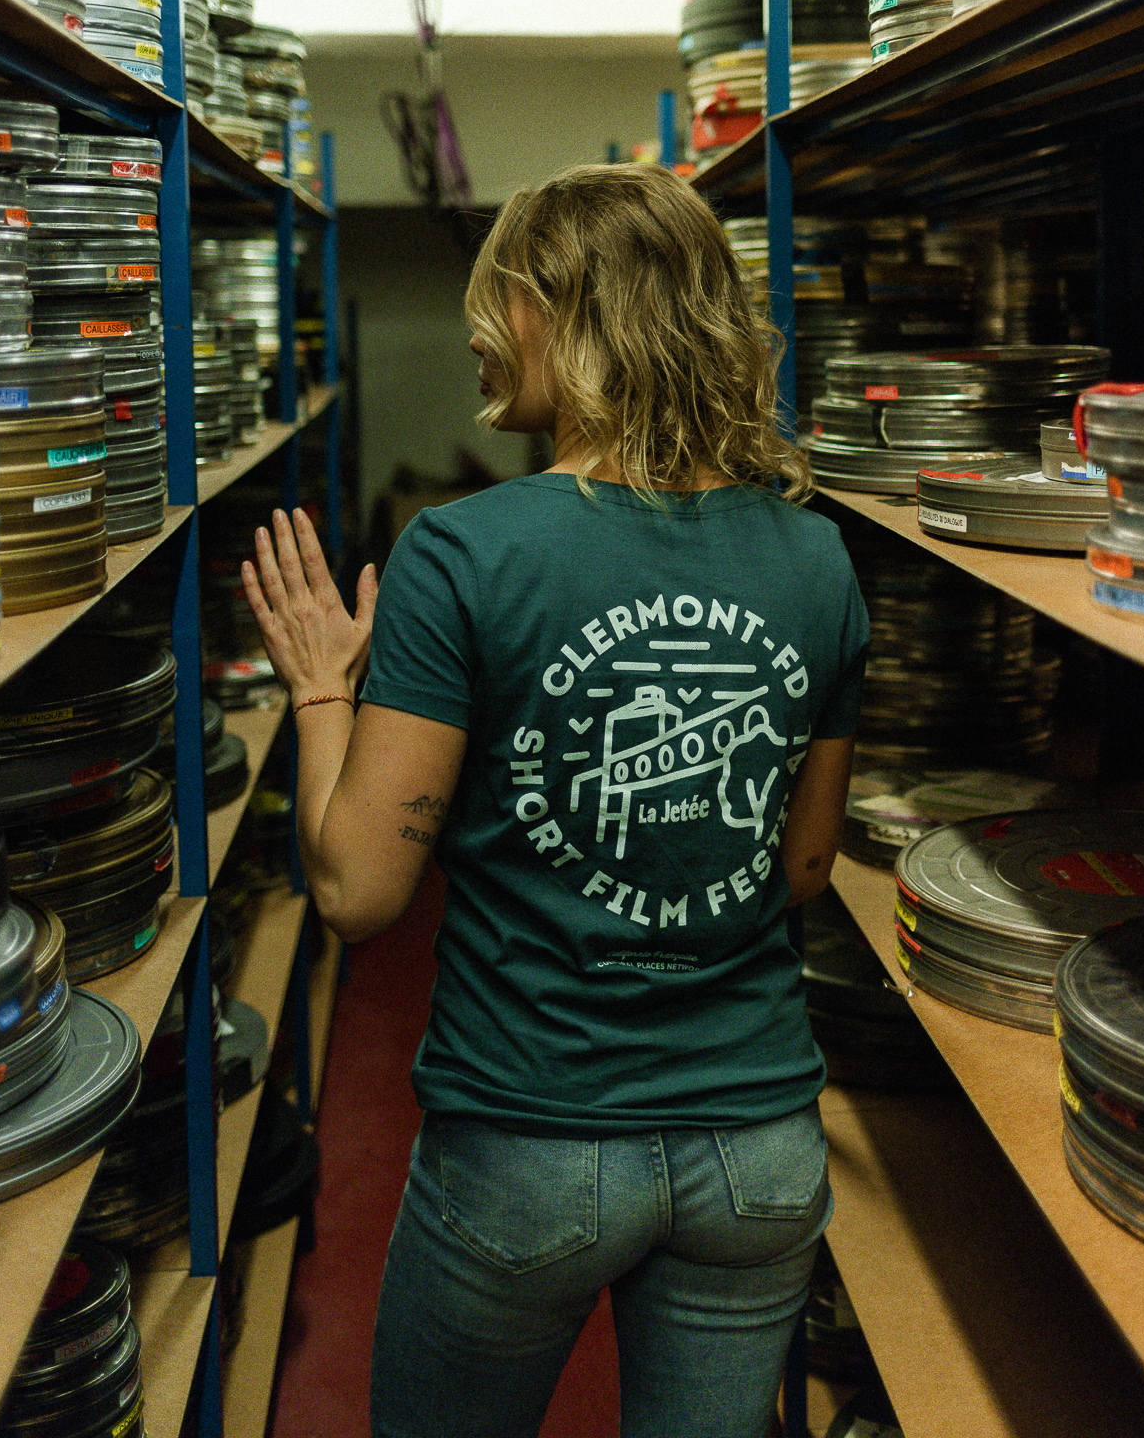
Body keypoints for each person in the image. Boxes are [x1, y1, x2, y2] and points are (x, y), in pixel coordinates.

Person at [241, 163, 870, 1438]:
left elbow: (357, 890)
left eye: (500, 299)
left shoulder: (462, 552)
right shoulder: (815, 554)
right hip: (756, 1142)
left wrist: (318, 690)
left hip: (529, 1134)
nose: (476, 328)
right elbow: (803, 866)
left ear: (575, 313)